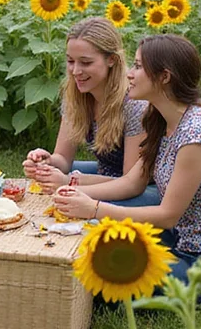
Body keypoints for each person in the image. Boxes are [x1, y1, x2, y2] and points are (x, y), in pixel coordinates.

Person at [54, 34, 201, 297]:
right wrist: (72, 184)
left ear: (164, 77)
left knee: (100, 278)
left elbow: (167, 214)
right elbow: (130, 181)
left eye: (138, 66)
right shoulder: (160, 119)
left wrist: (93, 208)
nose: (129, 74)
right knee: (94, 243)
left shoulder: (198, 132)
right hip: (176, 239)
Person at [22, 17, 159, 207]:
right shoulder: (75, 95)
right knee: (48, 176)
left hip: (147, 188)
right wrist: (47, 162)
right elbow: (63, 159)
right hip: (108, 173)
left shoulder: (134, 104)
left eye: (85, 63)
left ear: (112, 60)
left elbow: (130, 182)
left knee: (73, 200)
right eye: (70, 61)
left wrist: (71, 183)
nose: (76, 71)